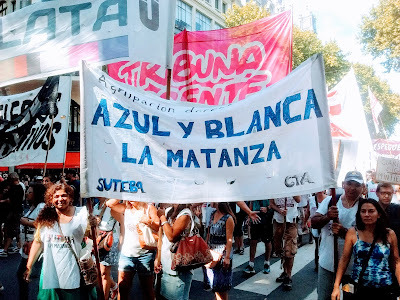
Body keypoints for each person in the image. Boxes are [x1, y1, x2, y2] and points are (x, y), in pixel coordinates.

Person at [24, 183, 97, 299]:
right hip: (50, 272)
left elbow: (94, 237)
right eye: (56, 196)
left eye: (64, 195)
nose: (60, 199)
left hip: (72, 272)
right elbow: (38, 242)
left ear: (70, 198)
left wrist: (94, 226)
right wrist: (29, 266)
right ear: (51, 199)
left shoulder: (81, 214)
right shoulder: (46, 216)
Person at [331, 198, 400, 299]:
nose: (367, 214)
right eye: (363, 211)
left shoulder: (389, 234)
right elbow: (344, 259)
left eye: (371, 211)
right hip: (358, 287)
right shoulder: (353, 233)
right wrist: (336, 286)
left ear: (379, 214)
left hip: (385, 288)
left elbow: (396, 262)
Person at [311, 170, 365, 300]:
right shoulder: (331, 201)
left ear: (362, 187)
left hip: (352, 268)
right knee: (324, 297)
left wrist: (344, 233)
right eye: (349, 183)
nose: (352, 188)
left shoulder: (365, 207)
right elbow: (313, 222)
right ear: (343, 184)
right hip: (327, 264)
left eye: (357, 185)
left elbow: (367, 239)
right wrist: (327, 216)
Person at [107, 199, 159, 300]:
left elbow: (158, 226)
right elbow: (109, 204)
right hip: (126, 255)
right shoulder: (125, 207)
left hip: (145, 255)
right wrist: (123, 189)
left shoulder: (149, 208)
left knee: (148, 291)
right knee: (123, 290)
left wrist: (148, 221)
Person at [154, 204, 193, 300]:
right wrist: (157, 258)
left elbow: (171, 236)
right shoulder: (169, 211)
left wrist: (162, 217)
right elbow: (161, 237)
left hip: (178, 269)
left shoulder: (185, 214)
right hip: (165, 265)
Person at [17, 182, 46, 300]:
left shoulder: (41, 207)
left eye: (30, 192)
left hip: (35, 245)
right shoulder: (33, 207)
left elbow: (43, 224)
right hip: (27, 245)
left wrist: (26, 222)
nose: (27, 194)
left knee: (29, 275)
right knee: (24, 274)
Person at [203, 202, 235, 300]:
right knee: (215, 285)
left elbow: (229, 240)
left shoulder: (228, 218)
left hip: (222, 255)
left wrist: (227, 257)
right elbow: (208, 234)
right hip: (212, 254)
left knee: (222, 288)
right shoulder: (213, 214)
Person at [93, 197, 122, 300]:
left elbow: (122, 221)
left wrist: (121, 240)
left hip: (110, 241)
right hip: (98, 241)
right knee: (98, 272)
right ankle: (114, 286)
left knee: (104, 273)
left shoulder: (112, 204)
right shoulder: (95, 206)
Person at [270, 196, 301, 291]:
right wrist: (279, 210)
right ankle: (284, 270)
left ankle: (288, 275)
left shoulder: (294, 185)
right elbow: (271, 204)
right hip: (278, 221)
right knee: (279, 248)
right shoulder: (274, 186)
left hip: (291, 221)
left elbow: (298, 199)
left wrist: (291, 191)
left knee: (290, 249)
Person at [243, 200, 273, 275]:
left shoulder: (270, 189)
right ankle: (251, 264)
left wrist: (267, 208)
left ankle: (267, 263)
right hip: (255, 214)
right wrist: (249, 214)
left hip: (267, 216)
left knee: (267, 241)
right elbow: (252, 201)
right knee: (253, 240)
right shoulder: (255, 189)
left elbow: (274, 202)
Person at [0, 172, 25, 257]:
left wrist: (3, 201)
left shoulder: (16, 188)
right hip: (15, 211)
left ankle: (6, 250)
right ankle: (18, 246)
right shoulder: (18, 187)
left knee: (10, 229)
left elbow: (11, 200)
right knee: (15, 229)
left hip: (14, 212)